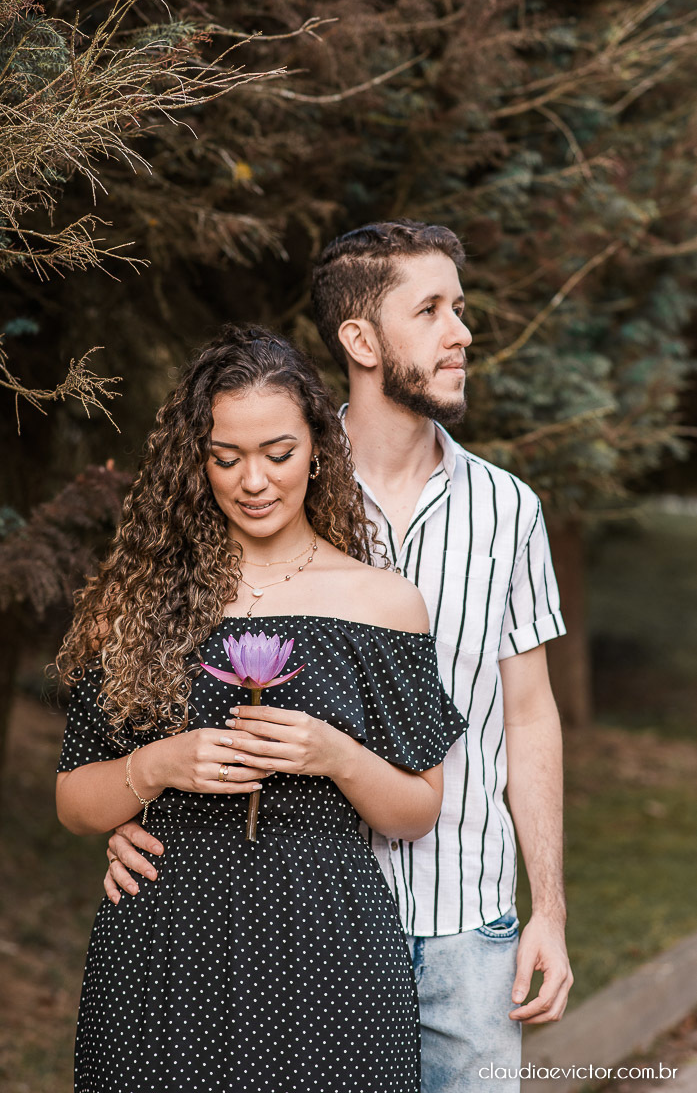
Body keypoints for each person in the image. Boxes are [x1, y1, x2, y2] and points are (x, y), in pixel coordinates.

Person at [104, 223, 574, 1093]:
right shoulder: (273, 479)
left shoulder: (508, 511)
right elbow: (162, 672)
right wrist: (133, 809)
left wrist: (546, 907)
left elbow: (528, 714)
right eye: (430, 310)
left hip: (464, 927)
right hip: (286, 926)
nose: (460, 332)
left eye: (458, 308)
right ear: (359, 340)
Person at [56, 324, 466, 1093]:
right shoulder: (139, 601)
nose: (253, 480)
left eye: (277, 453)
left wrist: (333, 754)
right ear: (196, 461)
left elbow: (415, 811)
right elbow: (75, 801)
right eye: (226, 457)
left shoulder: (384, 604)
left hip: (327, 951)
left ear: (317, 447)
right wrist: (156, 766)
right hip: (164, 948)